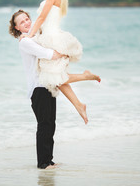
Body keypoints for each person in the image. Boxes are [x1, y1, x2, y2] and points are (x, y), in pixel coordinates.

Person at [9, 10, 100, 169]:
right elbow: (48, 54)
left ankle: (49, 160)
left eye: (27, 19)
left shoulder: (35, 37)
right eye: (22, 22)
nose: (26, 23)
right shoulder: (25, 42)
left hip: (48, 85)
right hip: (38, 89)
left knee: (51, 124)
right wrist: (63, 53)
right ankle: (43, 163)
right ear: (17, 28)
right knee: (44, 125)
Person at [20, 0, 100, 124]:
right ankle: (79, 105)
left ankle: (86, 77)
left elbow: (42, 17)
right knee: (56, 79)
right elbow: (44, 19)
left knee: (55, 78)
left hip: (52, 38)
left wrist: (29, 35)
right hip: (49, 36)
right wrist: (34, 36)